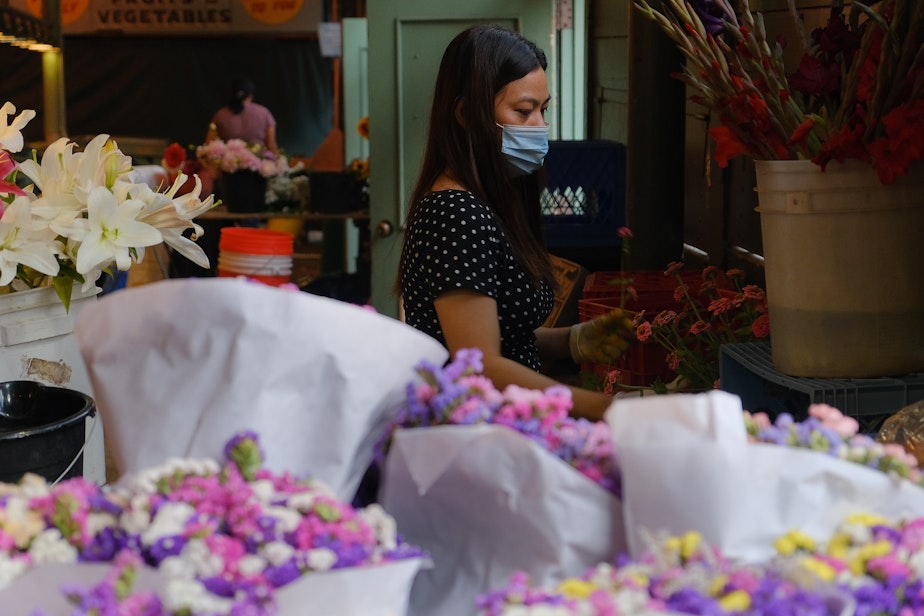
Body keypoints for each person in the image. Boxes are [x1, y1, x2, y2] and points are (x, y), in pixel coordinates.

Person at [395, 24, 634, 421]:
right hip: (476, 435)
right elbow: (481, 366)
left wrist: (571, 343)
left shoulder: (491, 201)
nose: (540, 125)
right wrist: (606, 408)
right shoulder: (455, 214)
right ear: (467, 115)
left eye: (544, 109)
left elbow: (500, 336)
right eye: (523, 111)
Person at [206, 76, 279, 155]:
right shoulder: (264, 113)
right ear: (250, 94)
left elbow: (209, 145)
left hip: (228, 165)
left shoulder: (220, 115)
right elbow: (271, 145)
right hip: (259, 165)